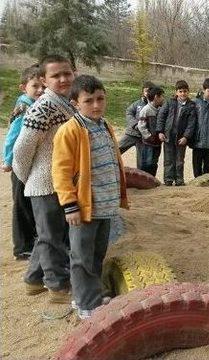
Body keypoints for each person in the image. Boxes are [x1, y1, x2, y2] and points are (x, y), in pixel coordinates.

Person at [52, 75, 128, 319]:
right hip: (84, 208)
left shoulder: (104, 125)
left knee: (97, 254)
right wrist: (70, 205)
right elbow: (61, 172)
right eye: (88, 101)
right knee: (82, 257)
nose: (96, 105)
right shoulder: (70, 131)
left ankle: (91, 295)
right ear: (75, 103)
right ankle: (86, 304)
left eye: (100, 99)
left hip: (105, 205)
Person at [12, 54, 75, 303]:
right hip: (44, 184)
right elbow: (22, 149)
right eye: (55, 75)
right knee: (51, 237)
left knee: (50, 235)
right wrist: (28, 177)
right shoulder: (43, 107)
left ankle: (33, 279)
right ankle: (57, 286)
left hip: (60, 182)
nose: (62, 79)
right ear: (44, 80)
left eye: (66, 73)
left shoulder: (67, 103)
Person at [1, 65, 44, 260]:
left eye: (42, 86)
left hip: (30, 164)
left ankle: (32, 239)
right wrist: (7, 160)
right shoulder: (24, 106)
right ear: (23, 87)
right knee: (21, 204)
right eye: (35, 86)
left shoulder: (35, 105)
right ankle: (22, 247)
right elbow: (12, 136)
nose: (40, 90)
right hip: (19, 164)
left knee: (29, 202)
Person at [156, 80, 197, 186]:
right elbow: (161, 116)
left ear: (188, 92)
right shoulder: (169, 102)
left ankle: (179, 179)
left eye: (185, 91)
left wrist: (186, 137)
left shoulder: (191, 105)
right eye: (180, 91)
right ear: (176, 92)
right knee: (168, 159)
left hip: (181, 137)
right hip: (168, 136)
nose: (183, 94)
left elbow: (191, 124)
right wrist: (160, 132)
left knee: (179, 160)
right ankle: (168, 179)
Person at [119, 81, 154, 154]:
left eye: (150, 91)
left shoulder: (155, 106)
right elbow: (129, 113)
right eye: (146, 91)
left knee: (142, 160)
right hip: (132, 133)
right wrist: (135, 124)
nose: (148, 93)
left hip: (144, 137)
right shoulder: (137, 104)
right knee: (116, 150)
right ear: (143, 92)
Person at [137, 86, 165, 177]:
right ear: (156, 97)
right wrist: (149, 136)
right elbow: (141, 126)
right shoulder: (146, 110)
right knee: (146, 163)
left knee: (154, 163)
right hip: (148, 143)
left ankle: (152, 180)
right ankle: (144, 181)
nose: (163, 99)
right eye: (162, 96)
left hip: (157, 143)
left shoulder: (160, 109)